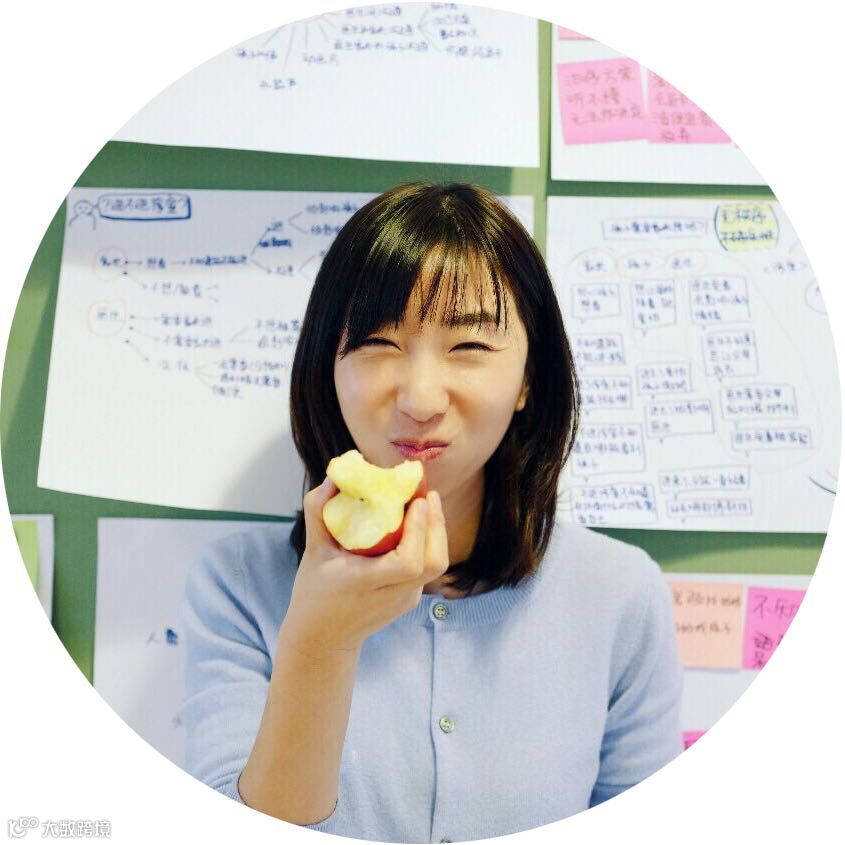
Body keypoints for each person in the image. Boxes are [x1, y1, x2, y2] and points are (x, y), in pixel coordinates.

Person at [179, 181, 684, 843]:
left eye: (469, 347)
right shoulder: (237, 584)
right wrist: (319, 642)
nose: (420, 399)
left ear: (529, 378)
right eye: (377, 343)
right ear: (327, 366)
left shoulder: (620, 593)